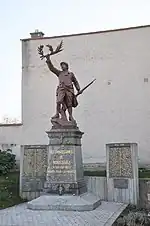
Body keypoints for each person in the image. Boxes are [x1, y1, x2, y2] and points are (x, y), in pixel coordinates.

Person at [45, 55, 81, 122]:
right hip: (61, 89)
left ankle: (70, 116)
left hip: (69, 90)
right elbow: (52, 68)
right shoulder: (59, 73)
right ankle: (57, 113)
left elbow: (75, 81)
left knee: (69, 104)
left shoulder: (70, 74)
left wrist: (78, 89)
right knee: (59, 101)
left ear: (66, 66)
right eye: (61, 65)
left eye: (63, 65)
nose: (62, 66)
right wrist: (48, 60)